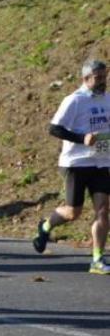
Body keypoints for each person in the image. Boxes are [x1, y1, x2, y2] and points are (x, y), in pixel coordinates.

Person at [35, 60, 109, 275]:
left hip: (101, 162)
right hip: (75, 163)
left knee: (103, 210)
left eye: (105, 76)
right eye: (98, 77)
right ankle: (46, 226)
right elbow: (54, 129)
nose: (103, 81)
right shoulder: (74, 100)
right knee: (72, 212)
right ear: (85, 79)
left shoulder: (108, 99)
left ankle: (97, 260)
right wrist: (81, 138)